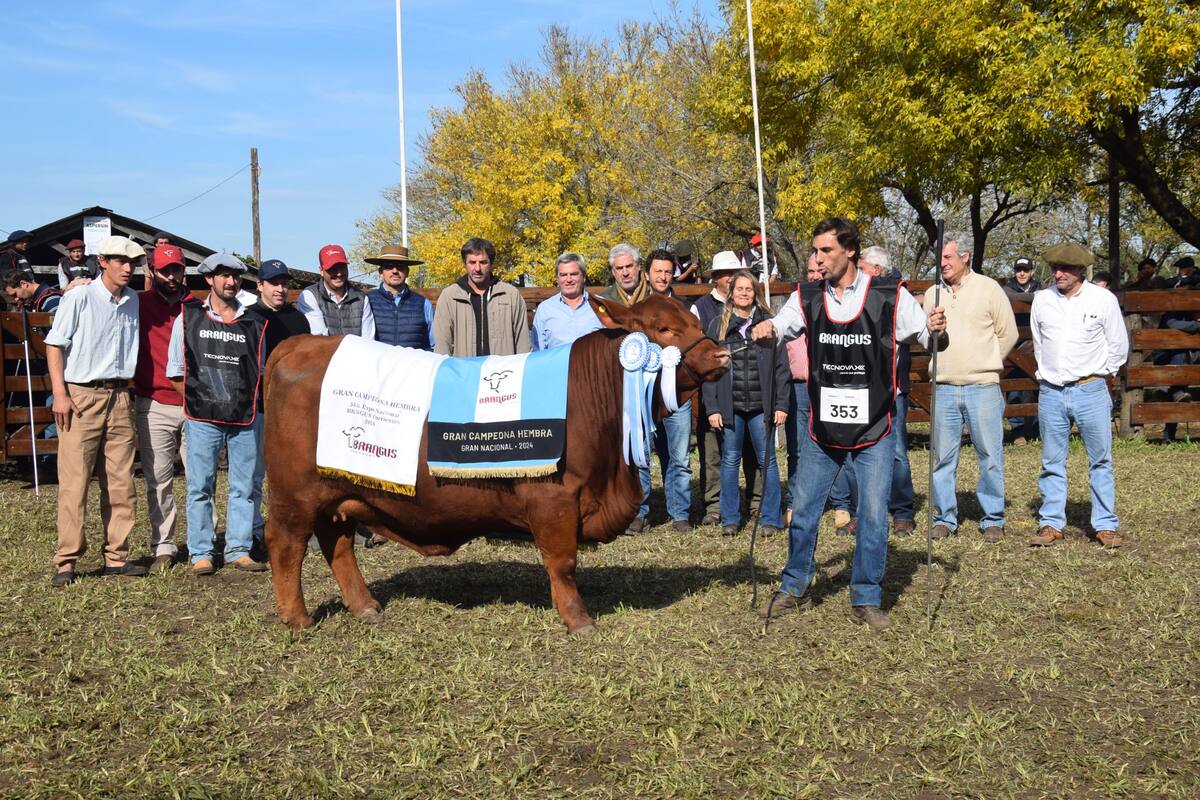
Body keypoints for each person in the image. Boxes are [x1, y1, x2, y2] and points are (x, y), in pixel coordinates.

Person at [754, 217, 947, 632]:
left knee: (874, 515)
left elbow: (928, 337)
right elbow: (782, 326)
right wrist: (768, 329)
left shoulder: (887, 295)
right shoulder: (806, 295)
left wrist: (935, 330)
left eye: (826, 251)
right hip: (823, 431)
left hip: (874, 427)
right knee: (804, 510)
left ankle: (866, 596)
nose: (817, 259)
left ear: (850, 251)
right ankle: (793, 586)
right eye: (815, 251)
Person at [44, 235, 149, 587]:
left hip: (120, 395)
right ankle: (67, 560)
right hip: (82, 396)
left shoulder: (133, 299)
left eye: (132, 262)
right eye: (120, 261)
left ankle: (116, 557)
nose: (127, 267)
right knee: (74, 482)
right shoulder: (79, 296)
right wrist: (60, 394)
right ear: (102, 261)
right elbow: (54, 345)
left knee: (121, 482)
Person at [166, 253, 269, 575]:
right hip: (202, 419)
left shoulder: (254, 322)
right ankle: (201, 553)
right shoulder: (188, 317)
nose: (231, 282)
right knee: (200, 487)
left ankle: (239, 548)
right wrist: (199, 401)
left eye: (236, 276)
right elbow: (175, 371)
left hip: (245, 419)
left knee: (245, 487)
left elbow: (260, 372)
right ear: (209, 279)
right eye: (223, 276)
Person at [1028, 244, 1129, 548]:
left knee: (1100, 460)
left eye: (1064, 269)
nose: (1057, 274)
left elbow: (1118, 345)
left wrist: (1100, 375)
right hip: (1051, 391)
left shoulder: (1103, 299)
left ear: (1079, 271)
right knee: (1052, 461)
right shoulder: (1042, 301)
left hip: (1090, 389)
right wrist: (1048, 374)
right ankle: (1051, 523)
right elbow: (1038, 343)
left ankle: (1105, 525)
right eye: (1055, 268)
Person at [924, 231, 1018, 544]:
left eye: (948, 257)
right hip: (944, 387)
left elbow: (1008, 334)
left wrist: (987, 360)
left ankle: (992, 518)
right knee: (941, 458)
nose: (942, 264)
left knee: (990, 455)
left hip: (983, 387)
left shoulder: (989, 289)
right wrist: (933, 330)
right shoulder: (932, 294)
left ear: (965, 257)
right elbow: (929, 342)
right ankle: (943, 518)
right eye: (939, 258)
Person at [702, 270, 789, 536]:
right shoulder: (718, 325)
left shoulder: (768, 323)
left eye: (748, 289)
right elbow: (709, 369)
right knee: (730, 460)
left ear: (755, 293)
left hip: (761, 408)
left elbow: (781, 367)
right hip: (731, 406)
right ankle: (730, 518)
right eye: (739, 288)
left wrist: (781, 404)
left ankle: (771, 518)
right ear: (731, 293)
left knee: (768, 462)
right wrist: (713, 408)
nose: (743, 293)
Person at [133, 245, 197, 571]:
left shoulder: (197, 306)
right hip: (154, 401)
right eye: (165, 270)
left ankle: (201, 545)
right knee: (158, 477)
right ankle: (164, 545)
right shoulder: (139, 303)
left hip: (192, 403)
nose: (172, 277)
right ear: (152, 270)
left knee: (201, 477)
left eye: (177, 270)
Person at [628, 249, 694, 534]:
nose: (663, 276)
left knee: (679, 457)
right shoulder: (637, 310)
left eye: (668, 272)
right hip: (644, 395)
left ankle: (680, 513)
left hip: (678, 394)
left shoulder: (685, 309)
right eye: (658, 271)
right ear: (648, 274)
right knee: (641, 455)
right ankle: (640, 512)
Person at [247, 258, 311, 552]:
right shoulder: (249, 318)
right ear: (259, 285)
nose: (280, 289)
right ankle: (254, 532)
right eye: (274, 283)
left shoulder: (298, 319)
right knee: (254, 473)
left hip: (293, 411)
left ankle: (296, 528)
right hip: (259, 406)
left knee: (294, 473)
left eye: (284, 283)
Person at [693, 250, 759, 526]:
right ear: (717, 278)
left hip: (750, 393)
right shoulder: (701, 308)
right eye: (726, 274)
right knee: (715, 454)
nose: (731, 279)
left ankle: (756, 503)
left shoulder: (756, 311)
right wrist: (711, 402)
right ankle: (714, 506)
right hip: (718, 390)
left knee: (754, 453)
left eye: (735, 273)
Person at [856, 246, 917, 536]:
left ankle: (902, 511)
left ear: (876, 270)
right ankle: (866, 510)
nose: (857, 272)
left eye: (863, 267)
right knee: (861, 449)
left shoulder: (896, 294)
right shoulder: (856, 294)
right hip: (861, 389)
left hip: (891, 389)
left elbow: (913, 333)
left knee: (896, 451)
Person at [432, 237, 530, 357]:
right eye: (472, 262)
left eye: (483, 262)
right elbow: (442, 346)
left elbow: (523, 344)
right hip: (465, 372)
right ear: (465, 264)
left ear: (491, 264)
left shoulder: (510, 295)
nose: (477, 269)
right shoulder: (449, 297)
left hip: (501, 372)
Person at [1003, 256, 1042, 445]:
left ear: (1032, 272)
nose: (1022, 273)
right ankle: (1018, 430)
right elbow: (1007, 297)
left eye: (1025, 270)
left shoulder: (1039, 287)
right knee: (1013, 388)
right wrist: (1034, 299)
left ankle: (1034, 428)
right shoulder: (1008, 288)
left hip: (1036, 345)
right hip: (1014, 347)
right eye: (1018, 270)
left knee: (1037, 387)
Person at [297, 244, 375, 338]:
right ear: (321, 271)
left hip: (357, 352)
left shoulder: (361, 298)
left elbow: (368, 339)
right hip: (326, 352)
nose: (339, 273)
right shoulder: (310, 295)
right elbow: (320, 338)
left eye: (342, 267)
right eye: (332, 269)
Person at [364, 245, 434, 349]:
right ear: (380, 272)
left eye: (400, 266)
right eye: (389, 266)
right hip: (379, 364)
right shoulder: (367, 302)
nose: (395, 271)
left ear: (407, 272)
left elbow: (433, 345)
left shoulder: (424, 304)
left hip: (414, 364)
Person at [531, 252, 602, 350]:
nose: (568, 279)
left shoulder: (600, 305)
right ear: (557, 279)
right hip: (557, 365)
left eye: (573, 274)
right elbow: (538, 351)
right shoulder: (545, 309)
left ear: (584, 276)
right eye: (563, 275)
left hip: (592, 365)